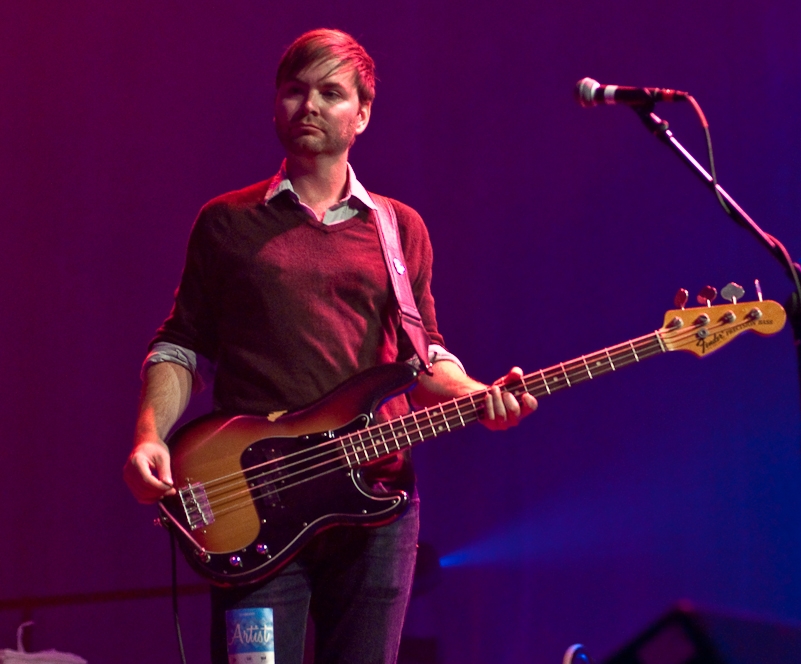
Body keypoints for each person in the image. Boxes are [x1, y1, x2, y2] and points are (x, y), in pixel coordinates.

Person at [122, 28, 537, 664]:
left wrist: (479, 395)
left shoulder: (400, 229)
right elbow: (179, 346)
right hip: (252, 503)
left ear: (362, 114)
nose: (309, 105)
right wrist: (151, 435)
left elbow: (425, 359)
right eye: (295, 90)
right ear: (275, 104)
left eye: (331, 92)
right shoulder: (227, 222)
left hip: (377, 499)